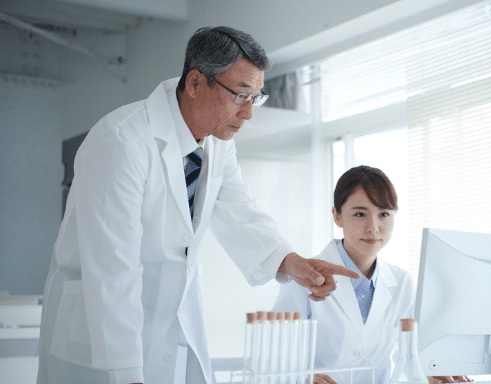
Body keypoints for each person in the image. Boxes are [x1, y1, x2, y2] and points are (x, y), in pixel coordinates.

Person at [36, 26, 359, 384]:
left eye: (257, 97)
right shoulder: (122, 142)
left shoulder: (217, 142)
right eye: (240, 95)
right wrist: (126, 374)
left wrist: (291, 261)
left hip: (169, 331)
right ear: (194, 83)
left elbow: (239, 210)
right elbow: (113, 269)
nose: (249, 114)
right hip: (101, 342)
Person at [271, 166, 472, 384]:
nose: (373, 227)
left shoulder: (402, 282)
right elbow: (273, 358)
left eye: (384, 214)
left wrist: (430, 373)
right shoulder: (305, 277)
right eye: (360, 214)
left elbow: (408, 357)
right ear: (337, 216)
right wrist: (303, 379)